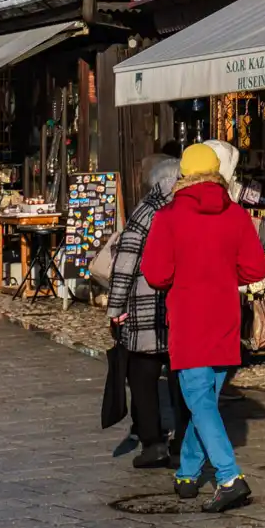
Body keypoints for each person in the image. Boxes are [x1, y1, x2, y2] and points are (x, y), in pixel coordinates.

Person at [140, 144, 265, 513]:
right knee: (205, 402)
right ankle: (187, 473)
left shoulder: (168, 217)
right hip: (225, 316)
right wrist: (227, 276)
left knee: (198, 400)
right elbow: (257, 268)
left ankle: (229, 478)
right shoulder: (235, 215)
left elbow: (156, 273)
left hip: (188, 317)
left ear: (183, 174)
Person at [107, 156, 189, 469]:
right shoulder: (187, 206)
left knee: (143, 374)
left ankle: (153, 442)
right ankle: (184, 442)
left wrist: (115, 307)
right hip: (181, 303)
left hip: (147, 304)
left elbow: (126, 261)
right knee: (181, 376)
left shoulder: (148, 208)